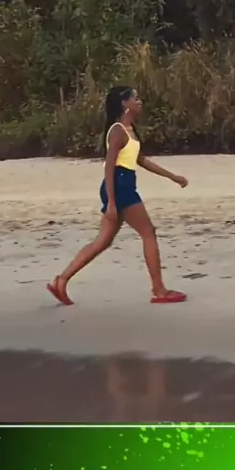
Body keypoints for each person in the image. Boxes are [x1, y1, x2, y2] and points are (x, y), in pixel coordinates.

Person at [47, 85, 189, 305]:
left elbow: (141, 160)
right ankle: (159, 290)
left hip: (122, 185)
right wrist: (112, 202)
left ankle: (61, 280)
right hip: (119, 187)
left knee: (102, 241)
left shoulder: (130, 129)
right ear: (125, 104)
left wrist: (173, 176)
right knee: (148, 232)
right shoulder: (117, 131)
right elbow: (109, 166)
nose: (139, 102)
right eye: (135, 98)